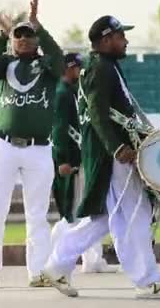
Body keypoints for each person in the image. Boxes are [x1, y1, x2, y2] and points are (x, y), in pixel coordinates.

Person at [42, 15, 160, 299]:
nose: (126, 41)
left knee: (108, 217)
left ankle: (57, 264)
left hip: (111, 155)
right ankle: (148, 281)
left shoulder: (106, 67)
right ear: (106, 40)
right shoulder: (100, 69)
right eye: (121, 36)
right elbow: (96, 113)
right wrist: (118, 148)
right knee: (133, 215)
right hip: (113, 158)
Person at [0, 0, 63, 288]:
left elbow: (62, 62)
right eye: (19, 34)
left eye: (29, 35)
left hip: (38, 147)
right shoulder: (3, 66)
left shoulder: (48, 67)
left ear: (36, 39)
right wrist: (3, 32)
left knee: (37, 214)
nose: (24, 39)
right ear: (12, 40)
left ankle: (37, 271)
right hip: (4, 144)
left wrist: (39, 25)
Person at [50, 52, 115, 274]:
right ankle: (58, 256)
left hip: (80, 157)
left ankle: (92, 259)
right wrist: (62, 159)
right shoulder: (61, 94)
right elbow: (59, 129)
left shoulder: (72, 92)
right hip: (71, 160)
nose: (81, 71)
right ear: (69, 68)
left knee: (87, 209)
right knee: (74, 212)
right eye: (78, 67)